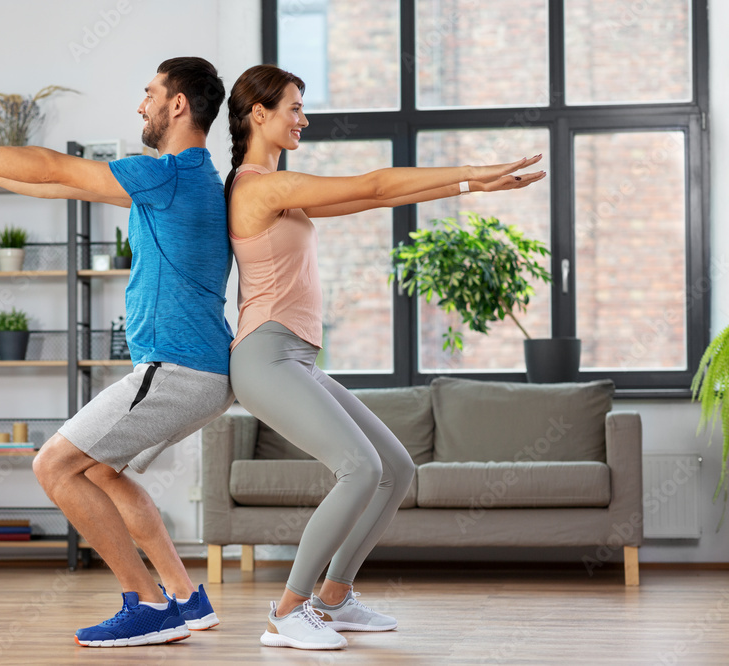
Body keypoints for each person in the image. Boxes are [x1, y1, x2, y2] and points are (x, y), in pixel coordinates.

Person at [0, 56, 234, 648]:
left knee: (52, 465)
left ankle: (147, 604)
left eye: (149, 93)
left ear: (178, 104)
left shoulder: (168, 174)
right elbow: (61, 183)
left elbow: (50, 162)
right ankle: (186, 597)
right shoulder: (180, 182)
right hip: (196, 368)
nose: (140, 104)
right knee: (99, 470)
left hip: (177, 365)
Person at [224, 64, 546, 651]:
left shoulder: (283, 190)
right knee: (360, 467)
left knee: (396, 468)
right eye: (294, 106)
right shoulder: (258, 187)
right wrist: (473, 170)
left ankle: (335, 598)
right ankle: (288, 610)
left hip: (297, 357)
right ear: (258, 114)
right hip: (264, 357)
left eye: (303, 106)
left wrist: (472, 188)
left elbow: (379, 197)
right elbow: (372, 184)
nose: (304, 117)